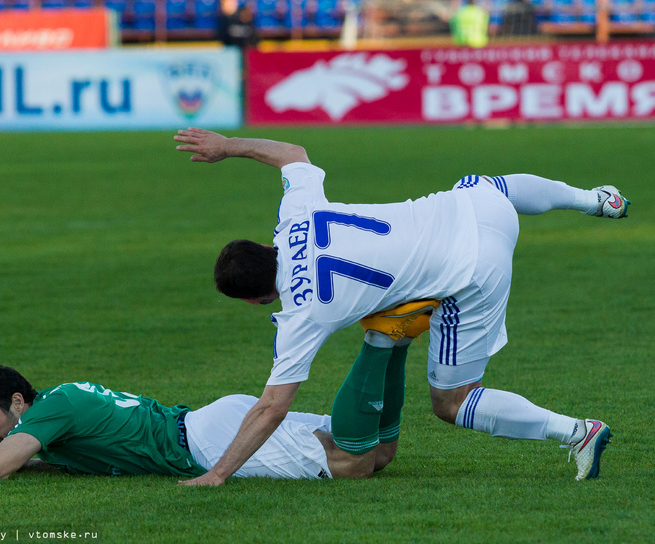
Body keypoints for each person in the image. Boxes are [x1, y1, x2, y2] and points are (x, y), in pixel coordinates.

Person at [173, 127, 628, 486]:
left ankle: (576, 431)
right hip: (483, 210)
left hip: (473, 269)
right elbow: (293, 152)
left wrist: (218, 473)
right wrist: (228, 146)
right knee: (484, 185)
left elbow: (271, 407)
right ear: (263, 248)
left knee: (453, 401)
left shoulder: (301, 316)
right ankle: (596, 200)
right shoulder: (296, 214)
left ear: (254, 298)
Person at [0, 365, 359, 480]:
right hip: (210, 419)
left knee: (354, 463)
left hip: (205, 444)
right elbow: (26, 460)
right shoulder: (58, 408)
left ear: (18, 402)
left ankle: (384, 341)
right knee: (362, 445)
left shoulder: (48, 413)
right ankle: (385, 342)